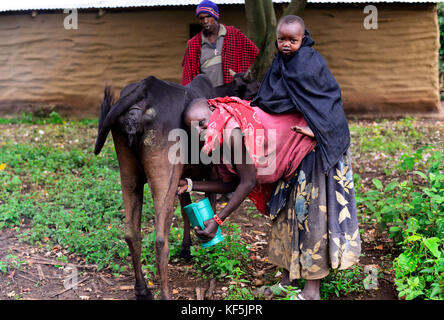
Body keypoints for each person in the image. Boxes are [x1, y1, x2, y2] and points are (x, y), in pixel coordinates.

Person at [178, 15, 361, 300]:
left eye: (293, 40)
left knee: (310, 219)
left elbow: (328, 103)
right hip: (284, 154)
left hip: (312, 152)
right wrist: (191, 185)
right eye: (281, 40)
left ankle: (311, 292)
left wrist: (319, 128)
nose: (286, 45)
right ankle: (287, 282)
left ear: (303, 38)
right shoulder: (277, 67)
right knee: (285, 218)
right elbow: (267, 105)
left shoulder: (310, 64)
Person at [181, 0, 259, 86]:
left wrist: (244, 75)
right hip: (207, 96)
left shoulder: (233, 34)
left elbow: (253, 53)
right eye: (201, 18)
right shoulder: (193, 44)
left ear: (215, 16)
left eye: (209, 16)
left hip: (233, 92)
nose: (205, 21)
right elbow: (188, 76)